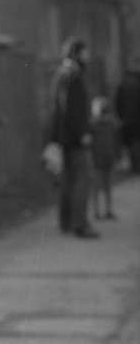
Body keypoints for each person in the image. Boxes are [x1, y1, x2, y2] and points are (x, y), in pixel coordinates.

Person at [50, 37, 98, 238]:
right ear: (77, 53)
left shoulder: (64, 72)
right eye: (86, 52)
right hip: (75, 137)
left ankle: (67, 221)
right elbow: (70, 109)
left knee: (70, 179)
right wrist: (82, 132)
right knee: (83, 178)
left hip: (66, 136)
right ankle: (80, 224)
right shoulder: (72, 74)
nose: (88, 56)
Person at [90, 95, 119, 220]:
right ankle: (103, 211)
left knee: (102, 186)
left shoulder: (95, 124)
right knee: (103, 186)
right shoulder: (110, 123)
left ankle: (103, 211)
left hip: (101, 157)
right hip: (102, 157)